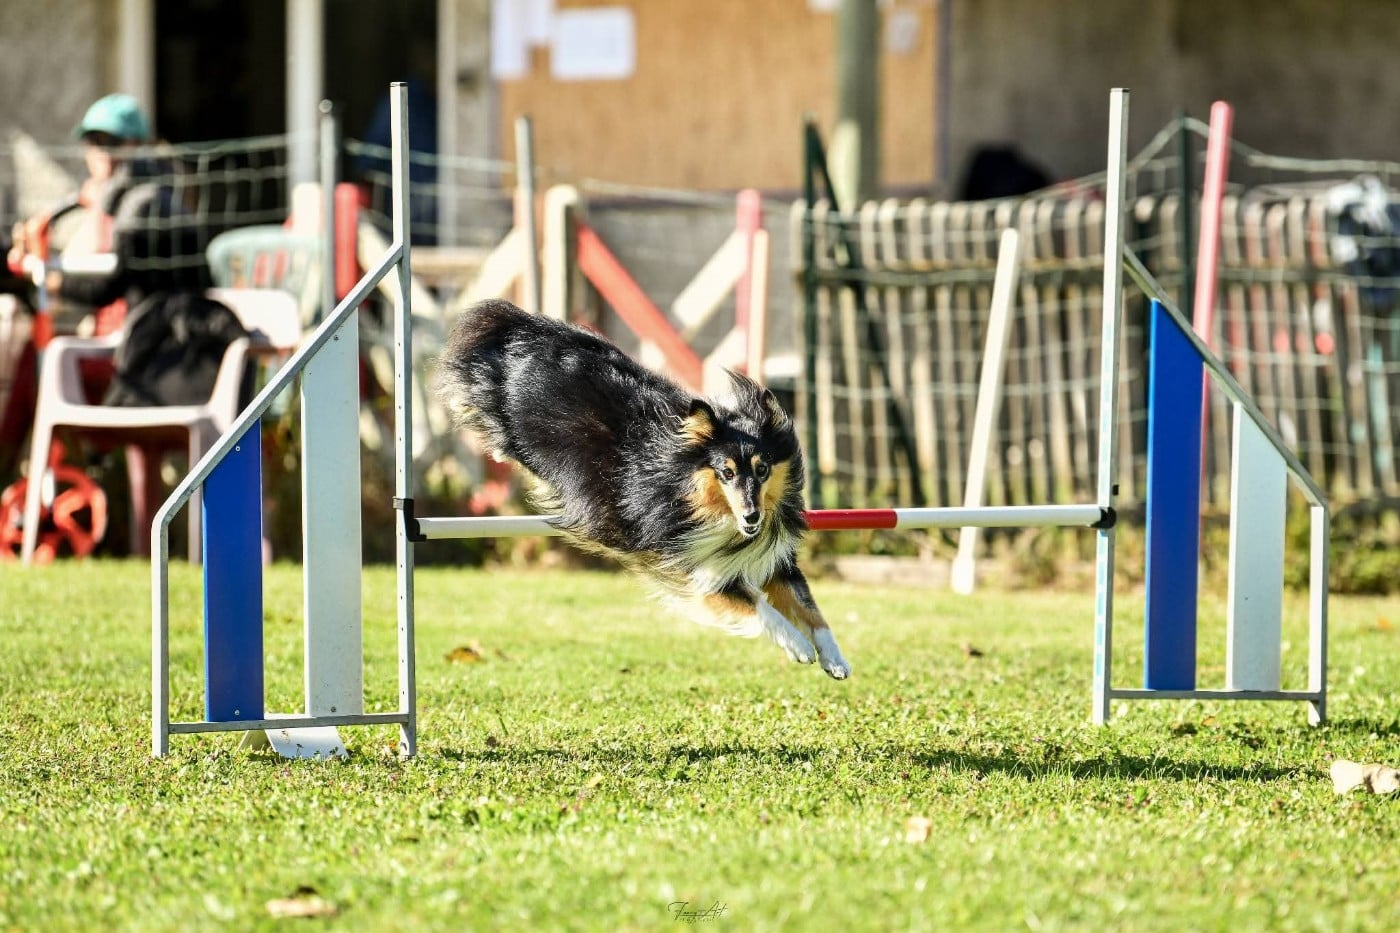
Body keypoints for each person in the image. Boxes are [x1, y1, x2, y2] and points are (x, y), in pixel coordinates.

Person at [6, 93, 210, 333]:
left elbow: (106, 284)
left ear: (139, 145)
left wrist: (43, 275)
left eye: (111, 142)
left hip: (151, 331)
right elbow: (80, 264)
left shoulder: (148, 201)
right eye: (92, 142)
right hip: (111, 325)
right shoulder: (104, 199)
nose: (101, 152)